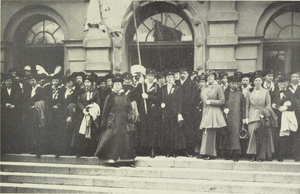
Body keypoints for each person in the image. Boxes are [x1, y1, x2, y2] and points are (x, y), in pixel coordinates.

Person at [94, 75, 136, 166]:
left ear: (122, 86)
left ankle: (126, 160)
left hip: (123, 122)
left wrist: (129, 116)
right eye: (115, 84)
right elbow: (105, 111)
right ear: (113, 86)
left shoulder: (126, 97)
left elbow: (129, 109)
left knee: (125, 140)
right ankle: (112, 160)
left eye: (119, 84)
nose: (117, 86)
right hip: (112, 121)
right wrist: (103, 122)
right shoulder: (110, 97)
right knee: (112, 140)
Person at [246, 75, 277, 162]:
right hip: (252, 115)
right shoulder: (249, 92)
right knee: (252, 135)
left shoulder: (266, 91)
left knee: (263, 136)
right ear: (253, 82)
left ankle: (261, 156)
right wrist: (246, 117)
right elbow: (247, 105)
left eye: (259, 80)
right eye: (256, 80)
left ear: (262, 82)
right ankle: (253, 155)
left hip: (262, 115)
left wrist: (264, 113)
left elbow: (268, 104)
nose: (257, 82)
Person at [130, 68, 160, 157]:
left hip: (152, 112)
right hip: (142, 111)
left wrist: (148, 96)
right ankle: (143, 150)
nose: (150, 77)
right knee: (143, 130)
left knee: (152, 130)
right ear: (146, 76)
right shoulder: (142, 85)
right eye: (148, 76)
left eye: (152, 76)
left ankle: (152, 150)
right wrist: (139, 84)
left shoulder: (157, 86)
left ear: (154, 77)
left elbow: (159, 98)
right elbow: (132, 94)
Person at [199, 71, 226, 160]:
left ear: (214, 78)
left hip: (214, 111)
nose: (210, 78)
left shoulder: (218, 87)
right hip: (206, 111)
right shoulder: (205, 87)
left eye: (211, 76)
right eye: (208, 77)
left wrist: (211, 102)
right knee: (205, 131)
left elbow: (222, 101)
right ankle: (203, 152)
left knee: (211, 132)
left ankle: (211, 153)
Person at [72, 75, 101, 157]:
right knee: (81, 132)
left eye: (88, 82)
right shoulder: (81, 91)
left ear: (91, 83)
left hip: (91, 114)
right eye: (85, 82)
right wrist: (83, 110)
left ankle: (90, 151)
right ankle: (80, 151)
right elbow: (78, 102)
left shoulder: (95, 92)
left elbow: (98, 102)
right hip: (82, 114)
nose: (87, 84)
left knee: (91, 132)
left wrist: (91, 108)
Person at [160, 71, 185, 157]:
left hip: (174, 113)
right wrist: (161, 104)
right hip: (166, 113)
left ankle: (174, 151)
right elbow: (160, 99)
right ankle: (168, 151)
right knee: (167, 132)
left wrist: (179, 113)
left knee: (174, 132)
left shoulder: (177, 88)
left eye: (171, 77)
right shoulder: (162, 88)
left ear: (173, 78)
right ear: (166, 79)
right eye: (168, 77)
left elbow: (180, 102)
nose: (169, 79)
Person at [175, 67, 198, 157]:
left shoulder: (192, 84)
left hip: (189, 111)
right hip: (178, 110)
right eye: (181, 73)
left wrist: (188, 108)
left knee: (189, 131)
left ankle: (189, 150)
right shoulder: (176, 83)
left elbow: (194, 97)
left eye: (184, 73)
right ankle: (179, 149)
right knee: (178, 131)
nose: (182, 75)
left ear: (188, 74)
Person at [24, 74, 48, 156]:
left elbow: (43, 100)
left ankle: (40, 149)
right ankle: (34, 148)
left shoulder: (40, 89)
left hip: (38, 111)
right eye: (30, 80)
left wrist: (35, 105)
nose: (32, 82)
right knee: (33, 129)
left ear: (37, 81)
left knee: (39, 129)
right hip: (32, 112)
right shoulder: (30, 89)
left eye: (33, 80)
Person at [272, 75, 295, 162]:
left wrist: (286, 108)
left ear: (287, 84)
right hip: (276, 116)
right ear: (278, 84)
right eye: (281, 83)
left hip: (286, 117)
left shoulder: (290, 93)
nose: (283, 85)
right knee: (276, 135)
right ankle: (276, 154)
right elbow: (272, 101)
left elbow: (294, 105)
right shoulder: (275, 92)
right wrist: (273, 105)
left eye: (285, 83)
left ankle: (282, 155)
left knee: (284, 136)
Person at [223, 76, 245, 162]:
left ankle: (236, 154)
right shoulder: (225, 93)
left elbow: (243, 106)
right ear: (229, 84)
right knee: (227, 134)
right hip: (227, 117)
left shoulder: (240, 94)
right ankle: (228, 153)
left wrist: (243, 117)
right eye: (232, 83)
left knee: (235, 134)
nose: (234, 85)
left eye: (236, 83)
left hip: (237, 117)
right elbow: (222, 103)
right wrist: (224, 108)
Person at [1, 74, 18, 153]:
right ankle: (5, 149)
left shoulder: (15, 90)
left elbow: (19, 100)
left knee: (14, 130)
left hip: (13, 113)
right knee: (5, 130)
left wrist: (14, 105)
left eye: (10, 81)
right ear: (4, 82)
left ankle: (14, 148)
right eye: (7, 81)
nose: (8, 83)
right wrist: (5, 105)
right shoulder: (1, 90)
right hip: (4, 113)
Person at [194, 73, 206, 158]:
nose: (202, 83)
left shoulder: (208, 91)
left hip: (206, 113)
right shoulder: (196, 91)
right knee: (198, 133)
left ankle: (204, 151)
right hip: (197, 114)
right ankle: (198, 150)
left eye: (203, 82)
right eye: (200, 82)